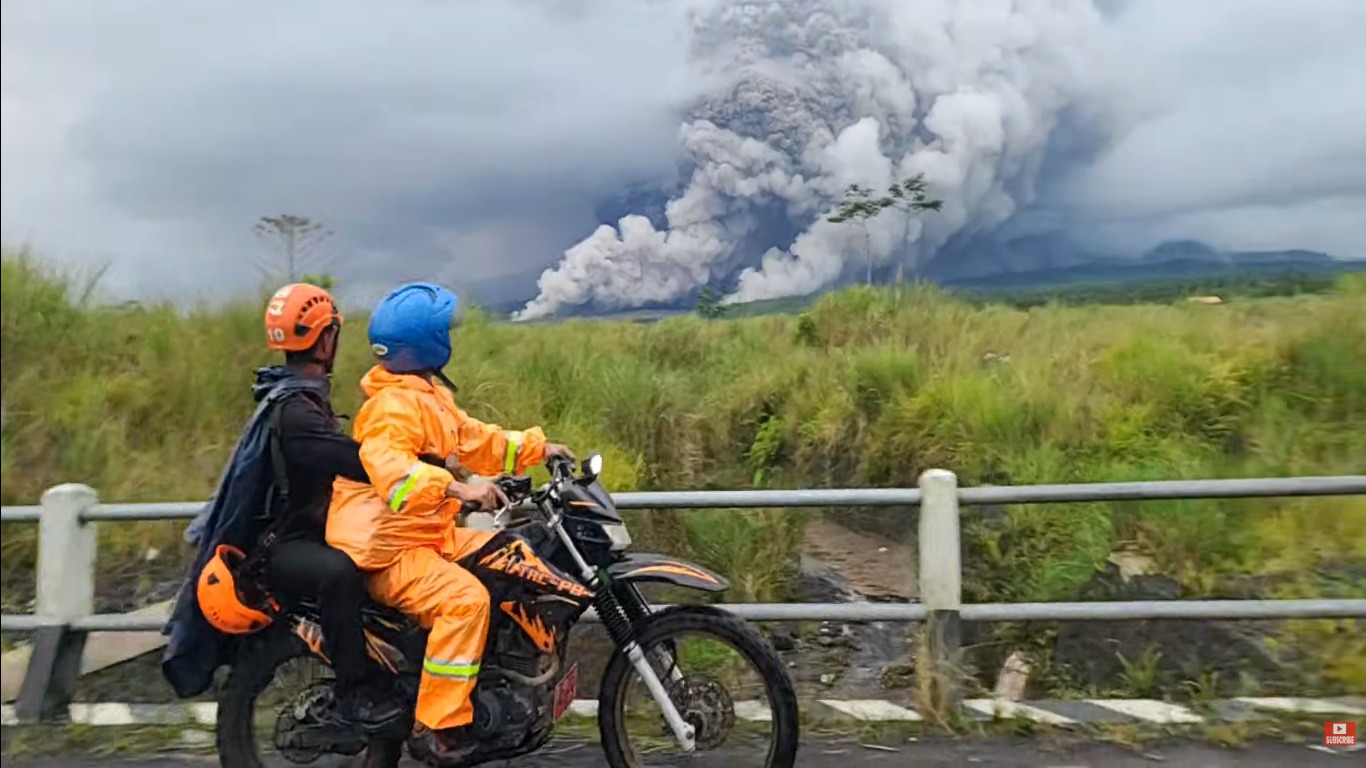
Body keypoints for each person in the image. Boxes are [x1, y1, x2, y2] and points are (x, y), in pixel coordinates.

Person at [325, 282, 573, 762]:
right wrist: (461, 489)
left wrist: (542, 448)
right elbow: (395, 474)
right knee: (466, 601)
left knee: (510, 554)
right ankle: (440, 726)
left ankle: (494, 675)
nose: (451, 340)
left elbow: (477, 439)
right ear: (427, 344)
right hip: (388, 551)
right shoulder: (390, 408)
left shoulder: (425, 395)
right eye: (444, 332)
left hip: (424, 536)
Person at [254, 283, 405, 731]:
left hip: (308, 529)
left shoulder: (301, 396)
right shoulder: (296, 412)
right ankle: (355, 692)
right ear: (325, 339)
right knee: (338, 572)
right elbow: (350, 459)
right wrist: (430, 471)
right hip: (284, 544)